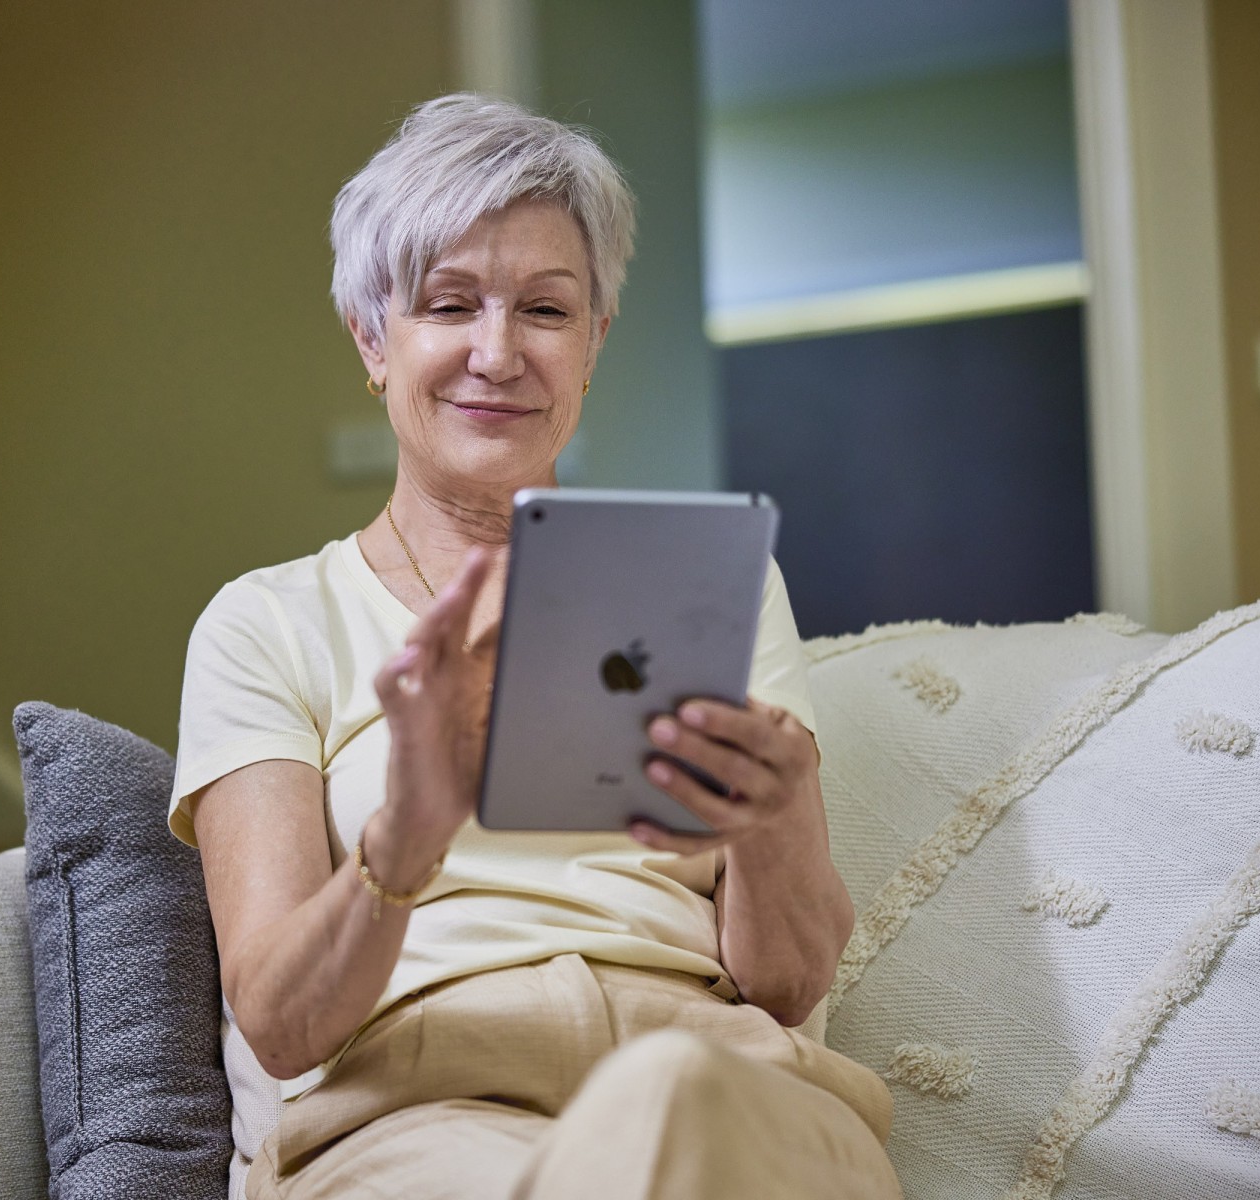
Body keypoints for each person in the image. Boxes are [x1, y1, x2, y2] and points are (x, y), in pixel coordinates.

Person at [170, 94, 901, 1200]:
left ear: (596, 340)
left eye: (547, 311)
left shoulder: (713, 587)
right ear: (374, 337)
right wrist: (403, 840)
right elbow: (277, 1022)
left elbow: (790, 982)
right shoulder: (265, 624)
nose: (497, 352)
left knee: (679, 1105)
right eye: (449, 304)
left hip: (729, 1088)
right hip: (418, 1109)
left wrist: (774, 824)